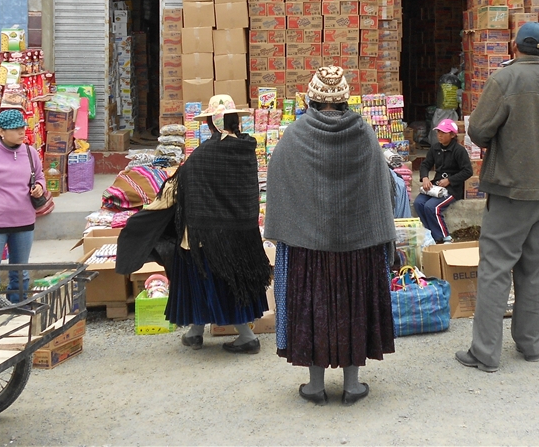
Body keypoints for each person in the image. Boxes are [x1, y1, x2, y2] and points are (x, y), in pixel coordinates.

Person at [457, 23, 539, 372]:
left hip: (511, 189)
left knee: (495, 269)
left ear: (515, 47)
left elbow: (479, 130)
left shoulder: (504, 80)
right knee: (534, 270)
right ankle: (530, 345)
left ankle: (485, 352)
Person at [265, 66, 396, 405]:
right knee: (354, 309)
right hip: (359, 245)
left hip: (310, 247)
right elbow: (382, 187)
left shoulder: (295, 135)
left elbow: (278, 177)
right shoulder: (364, 134)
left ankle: (315, 387)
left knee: (313, 312)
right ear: (345, 102)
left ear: (310, 99)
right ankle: (353, 387)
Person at [156, 94, 272, 354]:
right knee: (232, 280)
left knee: (204, 278)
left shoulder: (203, 154)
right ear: (234, 121)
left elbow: (182, 187)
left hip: (205, 236)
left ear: (211, 123)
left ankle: (243, 336)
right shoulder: (246, 150)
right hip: (240, 235)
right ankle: (198, 332)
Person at [0, 109, 45, 302]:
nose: (22, 132)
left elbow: (40, 177)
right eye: (16, 129)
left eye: (23, 128)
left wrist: (39, 187)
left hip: (24, 221)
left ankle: (18, 308)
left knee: (20, 273)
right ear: (1, 132)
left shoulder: (31, 153)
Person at [413, 119, 473, 243]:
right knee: (419, 203)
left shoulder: (459, 151)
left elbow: (468, 171)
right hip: (437, 186)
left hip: (452, 189)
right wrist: (424, 178)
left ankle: (444, 236)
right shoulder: (435, 149)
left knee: (432, 207)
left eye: (443, 133)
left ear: (452, 135)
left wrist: (450, 180)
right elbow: (425, 165)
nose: (439, 135)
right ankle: (429, 233)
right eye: (438, 132)